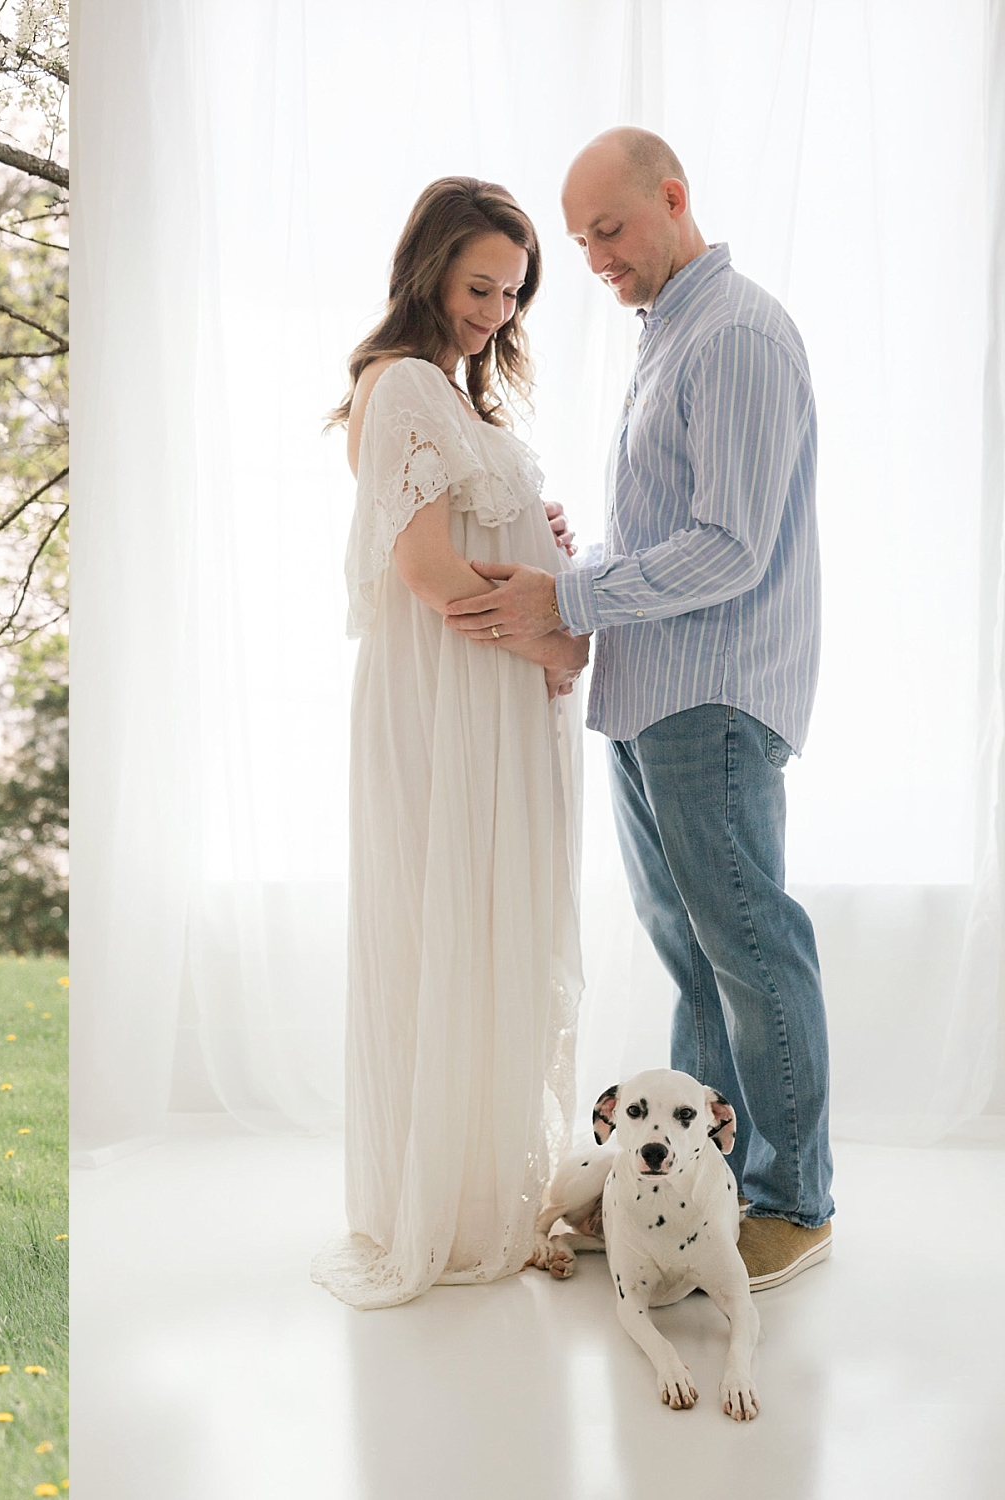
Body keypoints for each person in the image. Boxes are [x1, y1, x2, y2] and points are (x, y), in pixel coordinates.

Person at [445, 127, 834, 1290]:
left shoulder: (735, 334)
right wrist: (576, 575)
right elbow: (671, 535)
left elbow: (726, 548)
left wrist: (567, 591)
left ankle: (789, 1201)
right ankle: (685, 1193)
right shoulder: (670, 336)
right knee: (696, 956)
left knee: (752, 948)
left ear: (671, 199)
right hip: (650, 692)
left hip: (708, 697)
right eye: (578, 243)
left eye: (607, 231)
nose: (594, 260)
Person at [311, 176, 589, 1310]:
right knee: (455, 923)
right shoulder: (405, 383)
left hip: (482, 697)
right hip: (455, 696)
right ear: (427, 269)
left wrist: (538, 537)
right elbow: (424, 574)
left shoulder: (454, 399)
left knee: (487, 931)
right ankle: (450, 1204)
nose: (493, 312)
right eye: (479, 286)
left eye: (512, 294)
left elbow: (464, 532)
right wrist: (555, 642)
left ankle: (481, 1189)